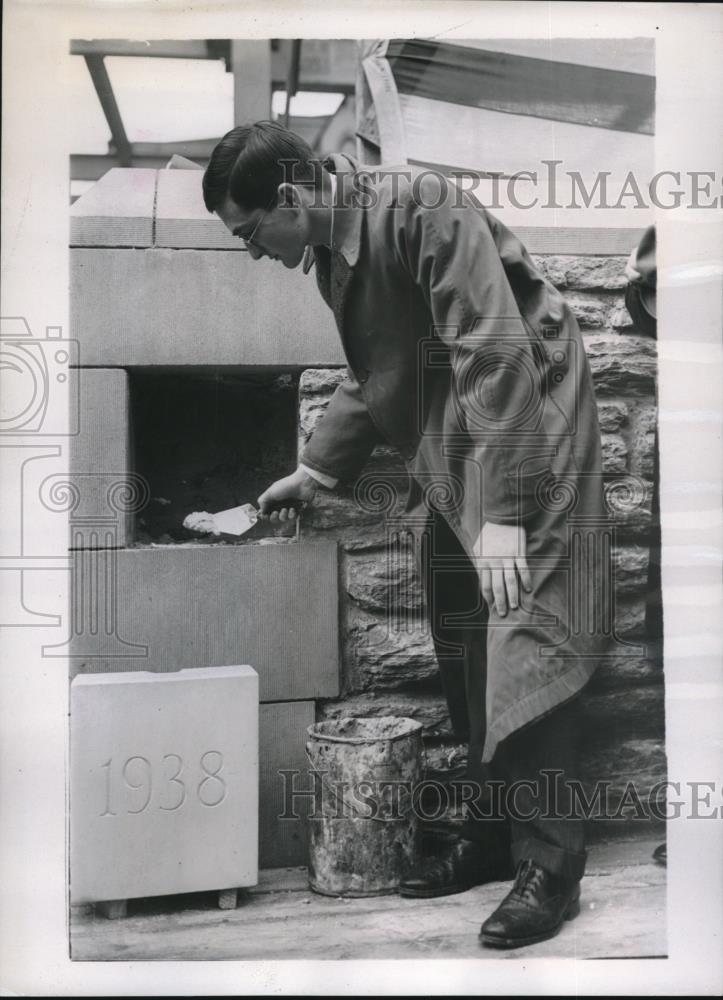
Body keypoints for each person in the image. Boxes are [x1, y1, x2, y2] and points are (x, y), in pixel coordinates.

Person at [203, 121, 610, 949]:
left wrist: (502, 516)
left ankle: (550, 864)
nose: (251, 252)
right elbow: (380, 373)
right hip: (466, 435)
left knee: (527, 633)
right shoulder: (333, 251)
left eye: (248, 233)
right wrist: (315, 471)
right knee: (459, 626)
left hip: (531, 427)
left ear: (287, 196)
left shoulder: (425, 207)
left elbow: (496, 353)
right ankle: (495, 831)